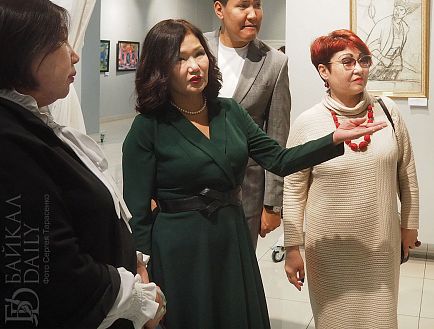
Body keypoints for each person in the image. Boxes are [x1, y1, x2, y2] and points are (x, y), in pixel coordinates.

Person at [122, 20, 386, 328]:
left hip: (231, 235)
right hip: (180, 247)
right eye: (179, 59)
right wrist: (142, 268)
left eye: (199, 54)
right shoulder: (148, 127)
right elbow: (137, 212)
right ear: (160, 69)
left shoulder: (229, 111)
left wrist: (333, 139)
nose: (194, 66)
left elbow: (279, 159)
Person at [0, 0, 165, 329]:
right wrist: (138, 299)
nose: (74, 55)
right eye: (62, 43)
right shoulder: (12, 143)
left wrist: (133, 261)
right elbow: (49, 267)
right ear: (26, 53)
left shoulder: (33, 126)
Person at [283, 29, 420, 328]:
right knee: (335, 320)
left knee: (381, 319)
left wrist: (409, 225)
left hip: (380, 243)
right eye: (347, 62)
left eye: (363, 60)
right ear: (324, 71)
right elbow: (293, 188)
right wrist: (292, 247)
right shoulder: (308, 123)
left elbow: (406, 172)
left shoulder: (387, 112)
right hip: (330, 249)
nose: (359, 69)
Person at [205, 0, 290, 248]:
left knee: (239, 266)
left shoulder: (274, 62)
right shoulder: (195, 48)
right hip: (190, 187)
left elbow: (277, 136)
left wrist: (273, 204)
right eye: (243, 6)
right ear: (220, 9)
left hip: (246, 192)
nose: (252, 14)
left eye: (257, 5)